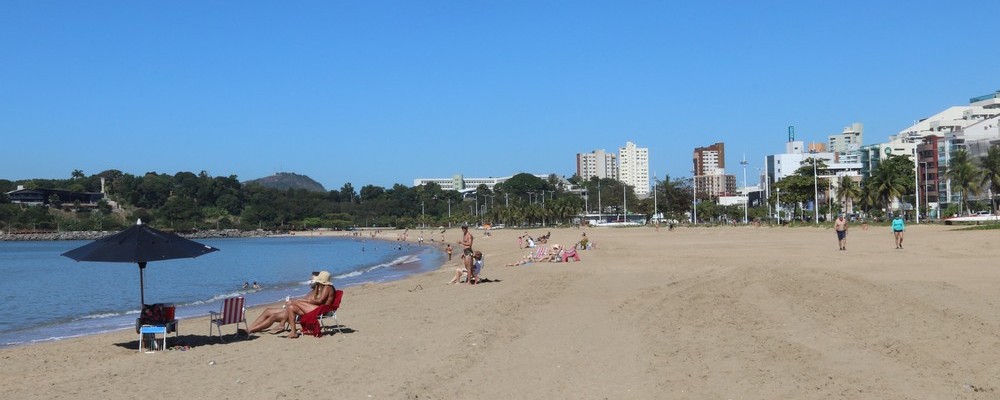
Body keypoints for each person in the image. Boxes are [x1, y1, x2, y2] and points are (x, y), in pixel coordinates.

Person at [285, 271, 336, 338]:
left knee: (296, 302)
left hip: (323, 310)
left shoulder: (327, 287)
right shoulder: (323, 286)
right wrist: (317, 287)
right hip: (319, 307)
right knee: (291, 307)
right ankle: (293, 332)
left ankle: (282, 323)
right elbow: (316, 299)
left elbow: (320, 301)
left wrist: (306, 301)